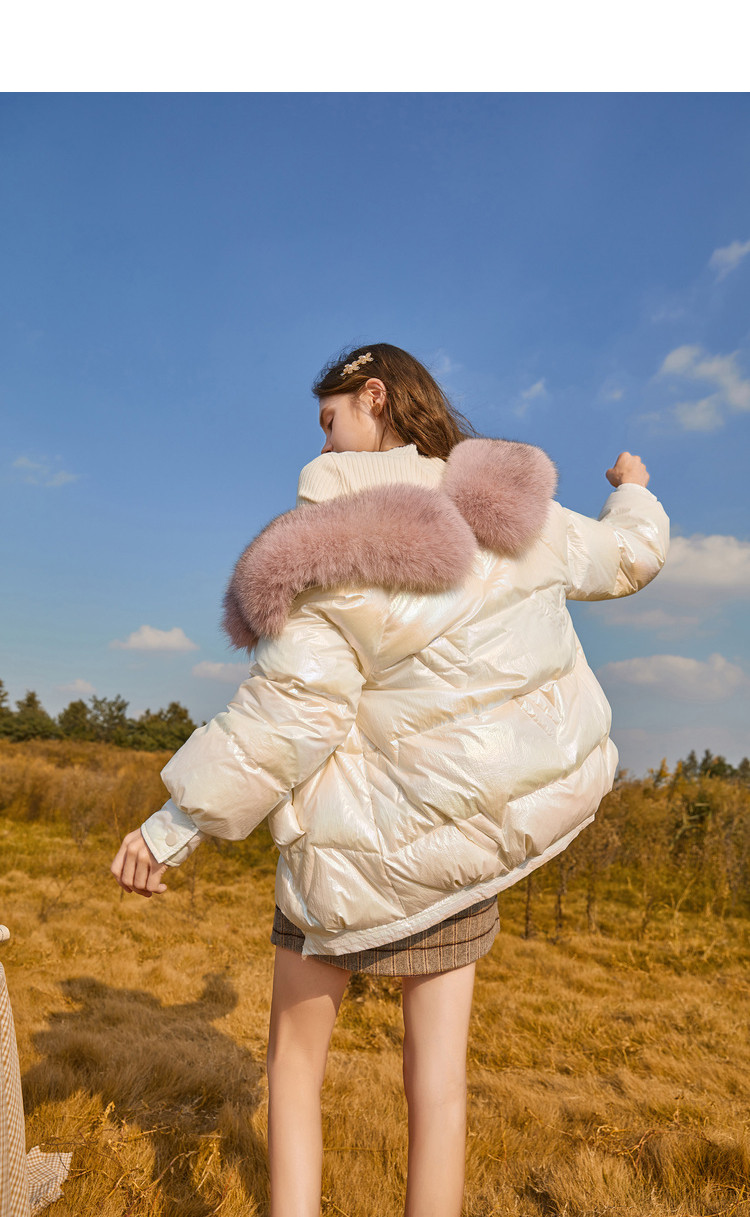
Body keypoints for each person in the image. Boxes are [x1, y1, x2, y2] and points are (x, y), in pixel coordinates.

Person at [111, 342, 669, 1217]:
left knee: (295, 1066)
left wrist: (171, 827)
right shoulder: (519, 514)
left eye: (329, 419)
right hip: (466, 858)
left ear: (373, 397)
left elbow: (290, 716)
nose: (323, 442)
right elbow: (629, 554)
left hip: (351, 864)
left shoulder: (333, 550)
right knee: (438, 1080)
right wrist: (632, 486)